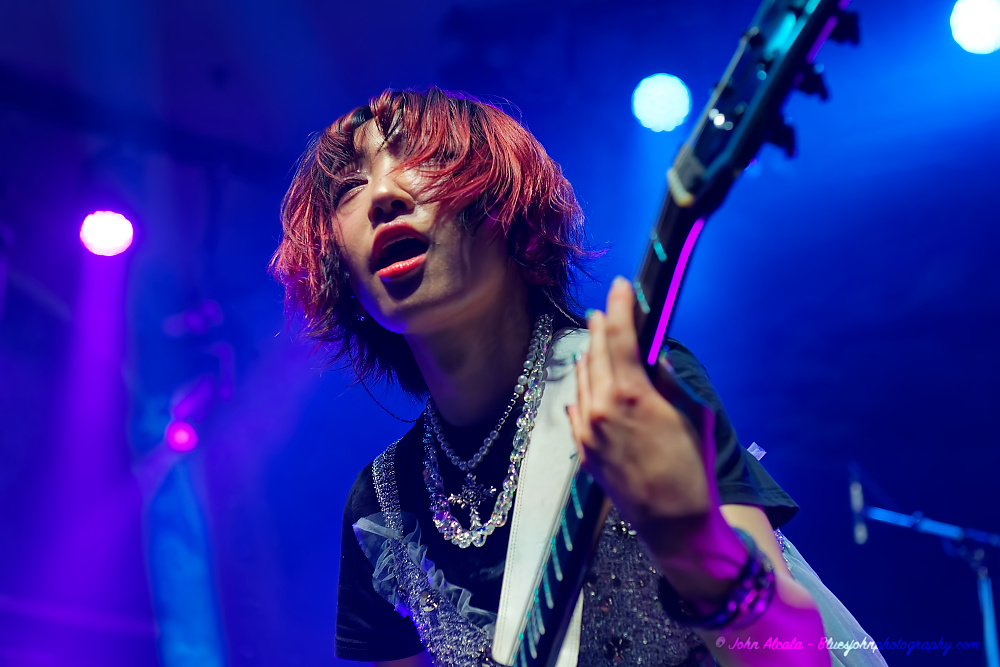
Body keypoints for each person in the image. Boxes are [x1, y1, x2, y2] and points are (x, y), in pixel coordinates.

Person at [271, 88, 878, 667]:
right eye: (350, 185)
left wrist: (694, 538)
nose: (381, 194)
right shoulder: (383, 505)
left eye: (420, 160)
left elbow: (798, 656)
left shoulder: (631, 388)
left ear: (502, 205)